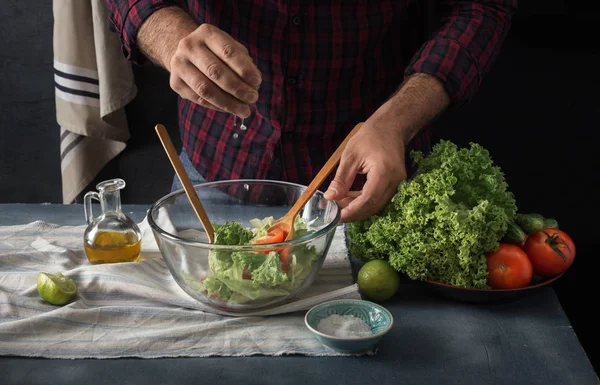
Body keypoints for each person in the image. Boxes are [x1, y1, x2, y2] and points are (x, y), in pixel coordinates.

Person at [105, 0, 517, 222]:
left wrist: (397, 119)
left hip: (368, 184)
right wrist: (172, 37)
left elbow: (482, 7)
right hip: (215, 175)